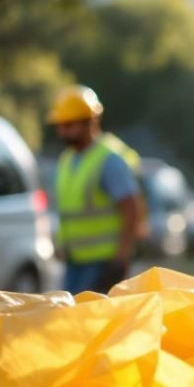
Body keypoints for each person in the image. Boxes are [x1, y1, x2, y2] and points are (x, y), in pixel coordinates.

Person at [47, 86, 142, 294]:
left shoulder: (109, 160)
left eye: (69, 125)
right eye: (60, 125)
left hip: (104, 263)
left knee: (91, 323)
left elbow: (131, 208)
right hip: (74, 261)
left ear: (90, 121)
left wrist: (121, 258)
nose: (62, 131)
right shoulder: (67, 160)